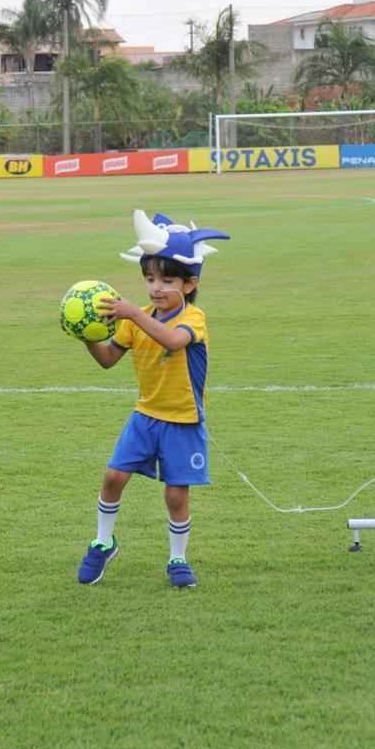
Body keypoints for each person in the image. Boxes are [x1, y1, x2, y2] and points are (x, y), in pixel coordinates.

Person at [76, 210, 230, 588]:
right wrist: (86, 335)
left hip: (183, 420)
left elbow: (173, 340)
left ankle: (177, 559)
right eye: (149, 278)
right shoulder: (136, 319)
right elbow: (108, 360)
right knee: (113, 476)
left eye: (167, 279)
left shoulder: (193, 319)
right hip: (145, 416)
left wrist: (131, 312)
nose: (156, 287)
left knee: (176, 495)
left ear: (190, 284)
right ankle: (103, 541)